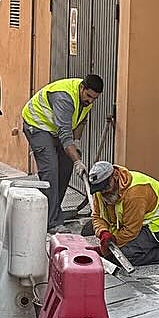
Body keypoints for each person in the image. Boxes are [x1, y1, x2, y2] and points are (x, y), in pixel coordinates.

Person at [21, 74, 104, 232]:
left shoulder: (87, 100)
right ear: (82, 88)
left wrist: (76, 143)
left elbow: (81, 122)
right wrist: (78, 161)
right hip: (37, 125)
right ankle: (51, 223)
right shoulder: (64, 98)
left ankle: (52, 211)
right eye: (88, 96)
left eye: (94, 98)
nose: (90, 101)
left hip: (53, 128)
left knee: (66, 166)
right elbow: (65, 135)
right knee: (50, 169)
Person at [88, 160, 159, 267]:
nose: (103, 192)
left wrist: (109, 247)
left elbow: (131, 231)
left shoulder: (135, 193)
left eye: (106, 187)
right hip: (137, 223)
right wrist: (103, 233)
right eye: (100, 189)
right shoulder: (100, 191)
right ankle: (151, 246)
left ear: (115, 176)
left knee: (123, 257)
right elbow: (97, 216)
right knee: (115, 254)